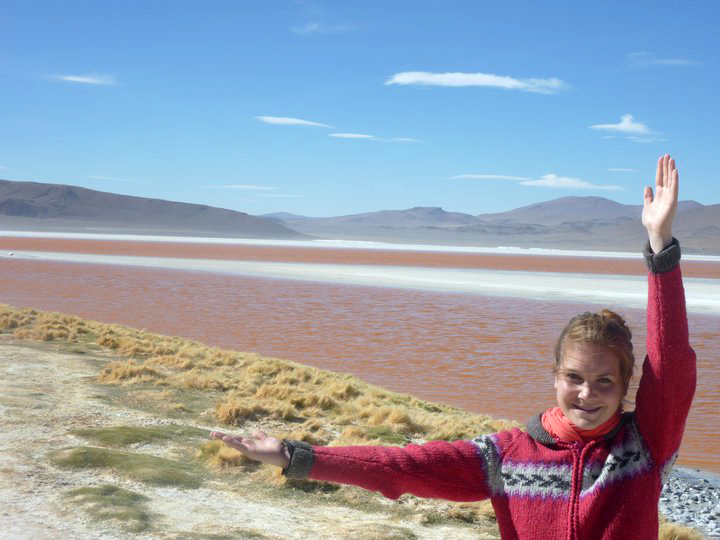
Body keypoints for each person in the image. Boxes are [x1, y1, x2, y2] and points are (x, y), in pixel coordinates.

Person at [211, 155, 696, 540]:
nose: (587, 393)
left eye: (604, 380)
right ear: (554, 377)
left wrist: (661, 249)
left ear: (626, 384)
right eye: (574, 378)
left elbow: (671, 362)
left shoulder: (643, 445)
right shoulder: (508, 456)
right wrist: (296, 456)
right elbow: (402, 467)